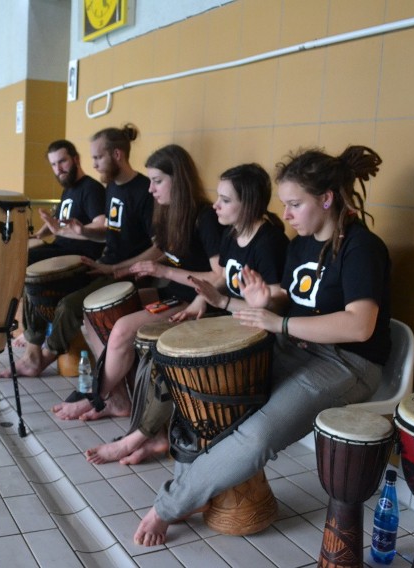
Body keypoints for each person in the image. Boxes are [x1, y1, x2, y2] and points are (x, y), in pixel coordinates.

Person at [134, 145, 391, 546]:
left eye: (294, 204)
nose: (285, 215)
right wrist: (241, 303)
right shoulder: (302, 243)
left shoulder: (361, 247)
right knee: (207, 390)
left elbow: (360, 326)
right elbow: (284, 304)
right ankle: (192, 491)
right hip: (297, 345)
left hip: (348, 363)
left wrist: (280, 322)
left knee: (257, 437)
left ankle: (167, 506)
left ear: (327, 199)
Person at [85, 162, 288, 464]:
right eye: (218, 197)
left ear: (250, 203)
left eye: (226, 200)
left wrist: (221, 302)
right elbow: (221, 280)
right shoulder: (233, 235)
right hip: (224, 316)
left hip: (248, 332)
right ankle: (152, 435)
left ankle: (136, 437)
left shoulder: (270, 241)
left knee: (172, 359)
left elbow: (276, 302)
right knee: (157, 354)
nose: (217, 205)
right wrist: (201, 300)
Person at [58, 144, 223, 422]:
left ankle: (95, 396)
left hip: (194, 303)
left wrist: (166, 273)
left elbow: (220, 277)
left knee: (122, 329)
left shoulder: (205, 217)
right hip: (174, 293)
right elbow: (161, 254)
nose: (150, 189)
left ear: (179, 180)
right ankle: (118, 399)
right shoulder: (169, 213)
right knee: (93, 315)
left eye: (158, 181)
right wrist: (115, 269)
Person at [7, 124, 156, 380]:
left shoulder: (144, 191)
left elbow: (159, 248)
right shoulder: (112, 188)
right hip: (104, 265)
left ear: (117, 155)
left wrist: (117, 269)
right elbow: (108, 233)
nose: (94, 164)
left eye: (98, 157)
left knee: (68, 306)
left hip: (125, 273)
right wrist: (84, 231)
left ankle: (43, 358)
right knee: (35, 284)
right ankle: (33, 352)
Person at [28, 139, 106, 264]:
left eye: (62, 161)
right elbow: (58, 221)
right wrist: (39, 234)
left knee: (26, 259)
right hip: (60, 249)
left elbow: (101, 224)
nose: (58, 169)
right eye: (53, 164)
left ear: (76, 159)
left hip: (80, 254)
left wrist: (64, 231)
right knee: (21, 254)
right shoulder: (68, 190)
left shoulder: (91, 188)